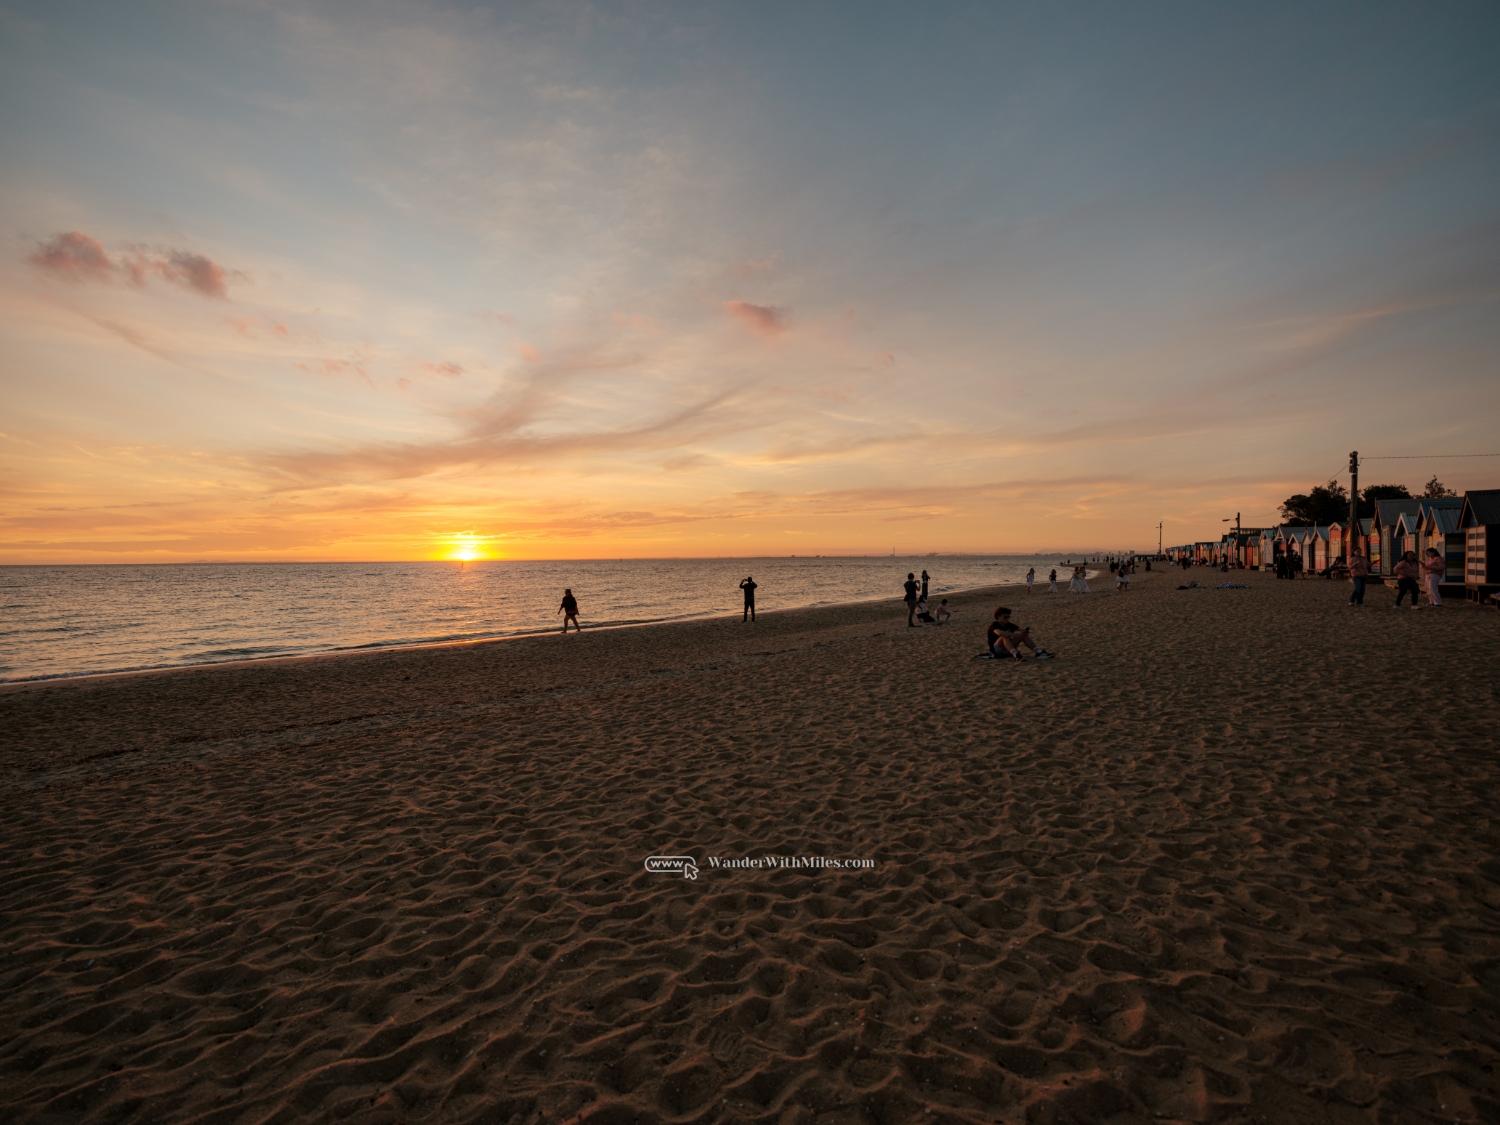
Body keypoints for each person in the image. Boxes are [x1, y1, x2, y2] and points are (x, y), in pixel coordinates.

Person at [985, 606, 1054, 660]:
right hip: (997, 650)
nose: (1007, 619)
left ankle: (1039, 652)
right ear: (998, 617)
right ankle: (1016, 655)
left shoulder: (1009, 624)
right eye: (1005, 617)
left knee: (1023, 635)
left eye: (1008, 617)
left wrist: (1025, 632)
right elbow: (1000, 633)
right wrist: (1016, 634)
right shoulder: (994, 625)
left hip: (1008, 649)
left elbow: (1020, 629)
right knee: (1005, 635)